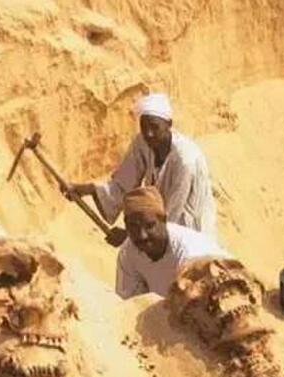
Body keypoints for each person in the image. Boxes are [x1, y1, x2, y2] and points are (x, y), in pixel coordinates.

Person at [65, 92, 217, 237]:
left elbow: (173, 214)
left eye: (155, 127)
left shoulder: (185, 160)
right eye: (144, 127)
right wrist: (89, 189)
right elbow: (123, 183)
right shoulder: (143, 142)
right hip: (158, 228)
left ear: (169, 124)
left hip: (188, 231)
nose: (149, 133)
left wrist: (131, 237)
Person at [116, 186, 228, 300]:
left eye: (150, 226)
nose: (142, 235)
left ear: (164, 220)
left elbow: (194, 304)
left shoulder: (188, 254)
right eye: (134, 227)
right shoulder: (127, 253)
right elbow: (130, 301)